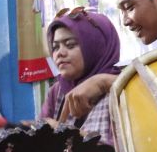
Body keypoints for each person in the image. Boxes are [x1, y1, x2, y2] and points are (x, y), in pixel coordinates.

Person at [41, 8, 120, 144]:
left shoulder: (121, 87)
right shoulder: (56, 91)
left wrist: (64, 133)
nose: (60, 53)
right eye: (55, 47)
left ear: (96, 46)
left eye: (70, 45)